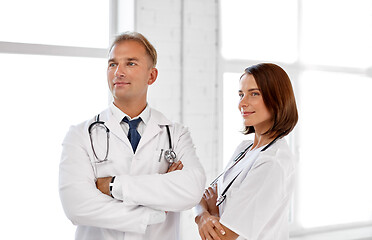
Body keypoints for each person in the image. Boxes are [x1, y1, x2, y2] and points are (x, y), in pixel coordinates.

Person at [59, 31, 206, 240]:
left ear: (152, 76)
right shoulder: (80, 135)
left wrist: (112, 186)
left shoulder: (176, 134)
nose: (118, 71)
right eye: (112, 64)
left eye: (130, 63)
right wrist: (156, 209)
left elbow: (191, 190)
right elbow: (77, 206)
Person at [194, 63, 298, 240]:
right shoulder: (244, 149)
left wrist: (204, 214)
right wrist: (207, 214)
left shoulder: (272, 162)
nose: (242, 103)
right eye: (241, 94)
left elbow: (221, 236)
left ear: (277, 98)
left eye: (254, 94)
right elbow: (203, 196)